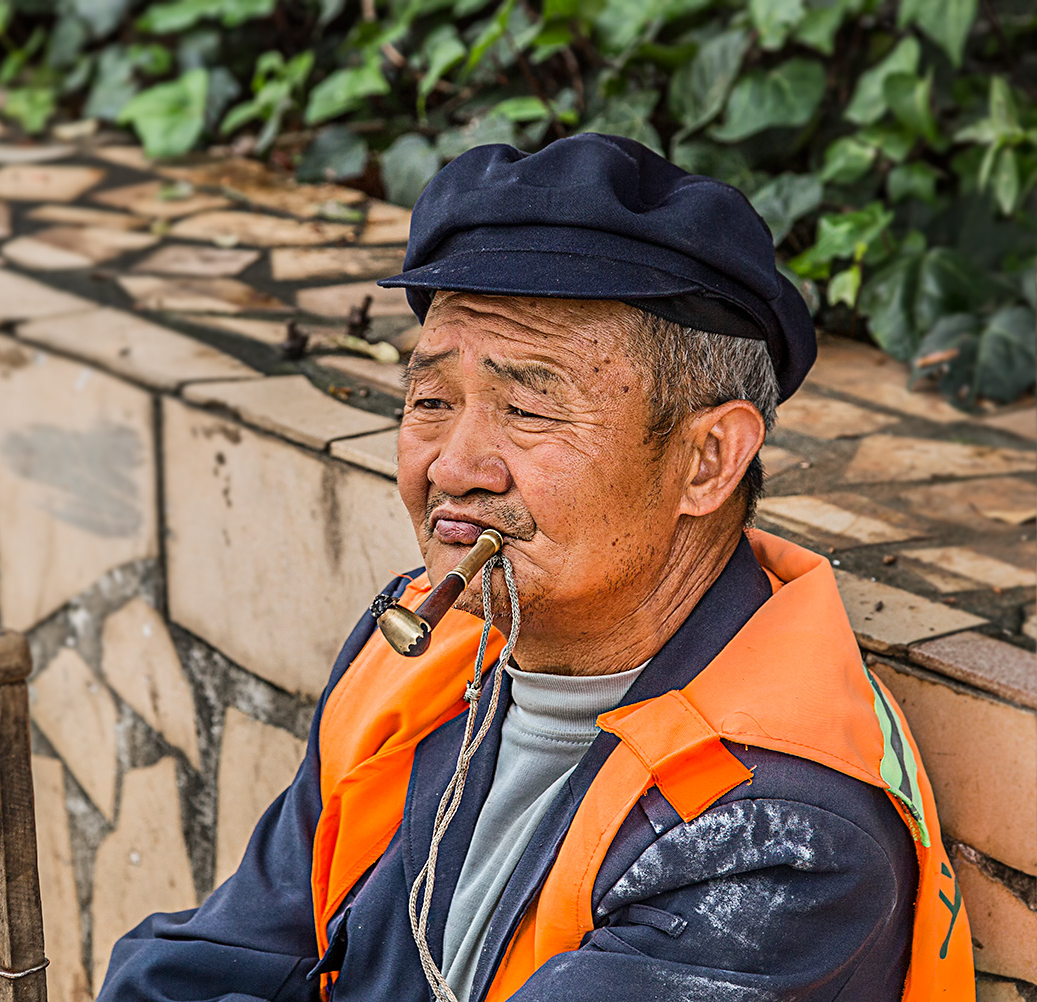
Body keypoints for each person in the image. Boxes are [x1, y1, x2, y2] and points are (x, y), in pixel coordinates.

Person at [96, 134, 975, 1002]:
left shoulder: (779, 833)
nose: (453, 466)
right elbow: (215, 960)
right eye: (432, 400)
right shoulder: (426, 652)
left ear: (707, 461)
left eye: (528, 409)